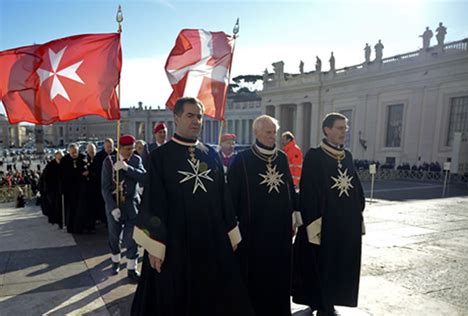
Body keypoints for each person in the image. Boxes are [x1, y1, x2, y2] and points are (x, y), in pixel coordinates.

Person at [131, 97, 254, 316]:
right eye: (190, 115)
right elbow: (153, 200)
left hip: (211, 239)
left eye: (199, 116)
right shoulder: (160, 156)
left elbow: (222, 196)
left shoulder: (211, 154)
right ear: (176, 118)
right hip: (175, 243)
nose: (196, 121)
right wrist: (155, 245)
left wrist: (231, 233)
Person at [292, 112, 365, 316]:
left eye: (345, 128)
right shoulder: (315, 156)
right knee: (321, 266)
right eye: (340, 128)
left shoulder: (347, 155)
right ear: (327, 129)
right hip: (324, 224)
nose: (344, 132)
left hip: (345, 225)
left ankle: (331, 301)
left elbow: (356, 188)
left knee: (339, 265)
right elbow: (309, 191)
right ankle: (320, 303)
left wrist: (358, 211)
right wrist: (314, 222)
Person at [227, 115, 300, 316]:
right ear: (256, 132)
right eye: (268, 132)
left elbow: (289, 190)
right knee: (255, 280)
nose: (272, 136)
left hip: (281, 231)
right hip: (253, 233)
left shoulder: (282, 157)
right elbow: (231, 198)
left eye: (274, 132)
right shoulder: (241, 160)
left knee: (279, 277)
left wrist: (294, 217)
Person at [101, 134, 146, 281]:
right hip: (114, 206)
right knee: (114, 237)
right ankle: (115, 260)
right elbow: (105, 188)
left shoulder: (136, 160)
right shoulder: (109, 161)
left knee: (132, 238)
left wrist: (128, 168)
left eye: (132, 149)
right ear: (119, 148)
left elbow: (144, 177)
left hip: (131, 205)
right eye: (127, 149)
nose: (130, 152)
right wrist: (113, 207)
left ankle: (132, 269)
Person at [60, 143, 88, 234]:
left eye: (75, 152)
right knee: (71, 209)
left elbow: (85, 169)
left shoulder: (82, 157)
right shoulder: (65, 160)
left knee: (81, 208)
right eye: (72, 153)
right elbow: (64, 175)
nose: (74, 154)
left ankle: (80, 227)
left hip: (81, 188)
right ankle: (71, 227)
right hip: (70, 188)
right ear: (69, 152)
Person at [95, 138, 117, 224]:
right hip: (104, 183)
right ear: (104, 147)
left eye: (110, 147)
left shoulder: (117, 154)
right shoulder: (99, 156)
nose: (109, 149)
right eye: (107, 147)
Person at [41, 151, 64, 229]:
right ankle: (59, 222)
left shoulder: (65, 163)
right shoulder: (50, 165)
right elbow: (46, 179)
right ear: (56, 157)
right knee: (57, 208)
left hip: (64, 190)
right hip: (54, 191)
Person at [83, 143, 101, 233]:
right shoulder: (85, 159)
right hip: (88, 188)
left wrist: (89, 173)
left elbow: (98, 172)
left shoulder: (98, 159)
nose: (91, 153)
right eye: (89, 151)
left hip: (97, 186)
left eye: (92, 151)